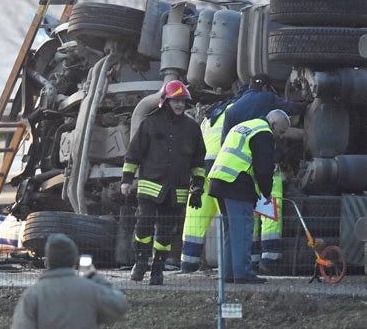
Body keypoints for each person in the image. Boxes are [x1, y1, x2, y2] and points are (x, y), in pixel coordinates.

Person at [121, 80, 206, 285]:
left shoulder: (192, 128)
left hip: (176, 190)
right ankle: (141, 262)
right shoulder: (150, 123)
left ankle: (157, 269)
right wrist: (126, 181)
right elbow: (133, 155)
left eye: (182, 101)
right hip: (150, 187)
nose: (179, 105)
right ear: (165, 101)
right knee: (144, 227)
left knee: (166, 233)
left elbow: (197, 162)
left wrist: (198, 186)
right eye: (175, 101)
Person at [8, 234, 128, 329]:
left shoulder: (32, 295)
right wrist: (94, 276)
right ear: (74, 259)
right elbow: (119, 306)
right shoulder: (90, 290)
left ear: (47, 261)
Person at [208, 109, 291, 284]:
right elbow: (263, 167)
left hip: (219, 180)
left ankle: (228, 273)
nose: (280, 136)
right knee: (243, 229)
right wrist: (266, 193)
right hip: (236, 183)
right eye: (281, 132)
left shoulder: (245, 126)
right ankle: (243, 273)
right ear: (274, 124)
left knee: (231, 230)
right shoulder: (263, 132)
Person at [180, 85, 248, 273]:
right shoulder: (241, 111)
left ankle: (188, 263)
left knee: (196, 215)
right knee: (232, 218)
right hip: (224, 167)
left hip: (202, 168)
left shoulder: (211, 113)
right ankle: (242, 265)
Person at [221, 74, 306, 144]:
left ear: (250, 86)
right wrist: (306, 105)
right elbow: (291, 108)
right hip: (258, 148)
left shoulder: (230, 110)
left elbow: (224, 142)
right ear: (265, 87)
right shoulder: (267, 97)